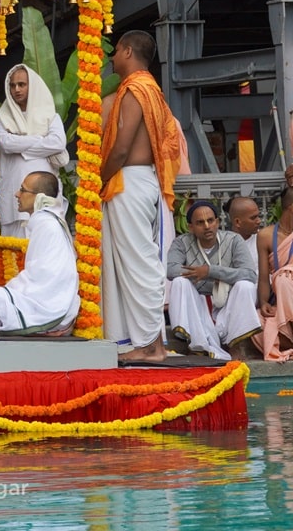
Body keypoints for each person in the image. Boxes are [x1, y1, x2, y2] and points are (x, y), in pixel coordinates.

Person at [100, 29, 181, 363]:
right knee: (137, 263)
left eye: (116, 51)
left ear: (128, 51)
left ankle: (150, 346)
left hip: (128, 181)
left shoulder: (136, 89)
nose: (112, 57)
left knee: (139, 265)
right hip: (136, 182)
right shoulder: (150, 89)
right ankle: (148, 343)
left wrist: (98, 180)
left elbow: (121, 147)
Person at [0, 171, 79, 337]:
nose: (17, 194)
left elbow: (40, 278)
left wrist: (9, 291)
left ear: (39, 197)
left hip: (48, 309)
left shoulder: (46, 224)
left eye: (23, 190)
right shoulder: (46, 222)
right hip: (47, 303)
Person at [167, 200, 260, 360]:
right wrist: (199, 273)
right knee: (178, 282)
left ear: (217, 222)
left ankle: (234, 343)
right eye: (200, 222)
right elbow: (170, 269)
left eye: (210, 220)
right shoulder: (181, 242)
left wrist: (211, 271)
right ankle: (196, 344)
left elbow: (250, 274)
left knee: (246, 286)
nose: (207, 226)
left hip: (226, 303)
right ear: (190, 227)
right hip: (197, 303)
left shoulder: (233, 240)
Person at [0, 64, 69, 238]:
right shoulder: (3, 117)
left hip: (42, 192)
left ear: (32, 86)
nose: (16, 89)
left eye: (22, 84)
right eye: (12, 85)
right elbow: (5, 144)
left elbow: (57, 143)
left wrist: (21, 145)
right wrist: (38, 138)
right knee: (12, 252)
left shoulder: (50, 115)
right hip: (14, 192)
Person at [253, 186, 293, 360]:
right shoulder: (265, 235)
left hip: (287, 290)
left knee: (284, 278)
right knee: (256, 321)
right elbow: (263, 277)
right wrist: (263, 302)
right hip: (279, 300)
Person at [226, 195, 261, 271]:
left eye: (258, 216)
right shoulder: (224, 245)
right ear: (237, 222)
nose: (259, 221)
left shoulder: (264, 239)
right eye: (253, 218)